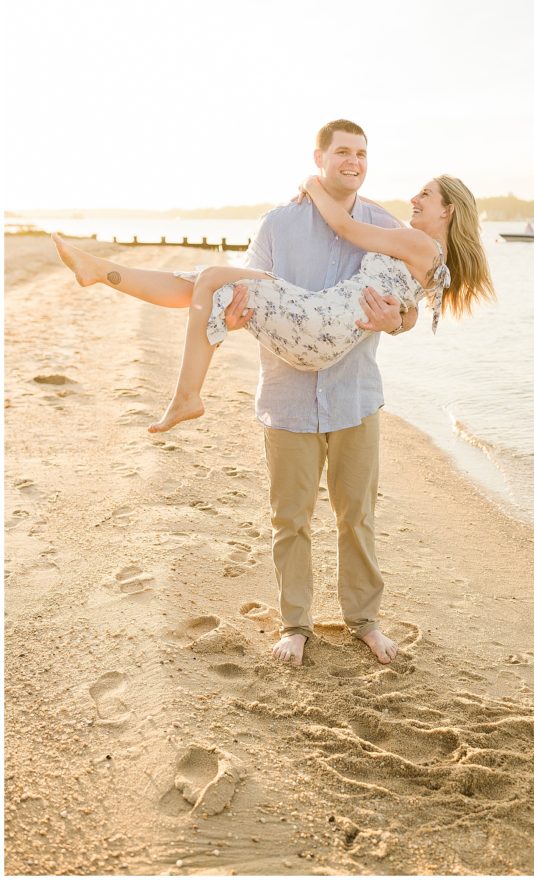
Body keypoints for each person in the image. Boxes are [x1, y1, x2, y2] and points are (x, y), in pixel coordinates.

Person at [52, 120, 494, 666]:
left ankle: (365, 621)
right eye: (342, 153)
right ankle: (295, 625)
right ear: (320, 156)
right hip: (288, 389)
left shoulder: (384, 225)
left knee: (356, 518)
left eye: (362, 154)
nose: (354, 162)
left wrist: (395, 321)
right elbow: (260, 283)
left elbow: (404, 307)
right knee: (290, 516)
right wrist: (236, 317)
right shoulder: (279, 224)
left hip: (351, 391)